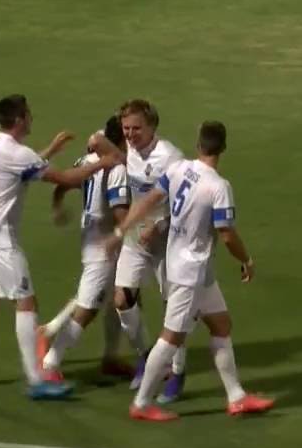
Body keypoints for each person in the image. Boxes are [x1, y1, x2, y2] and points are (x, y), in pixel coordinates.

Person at [0, 94, 121, 399]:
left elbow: (21, 169)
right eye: (28, 114)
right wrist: (105, 163)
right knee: (26, 303)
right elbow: (66, 177)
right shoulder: (18, 155)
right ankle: (36, 381)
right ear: (19, 119)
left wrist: (50, 151)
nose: (32, 118)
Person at [106, 121, 274, 421]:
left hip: (190, 267)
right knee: (171, 338)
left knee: (221, 324)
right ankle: (142, 404)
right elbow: (226, 234)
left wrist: (122, 229)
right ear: (222, 148)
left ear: (199, 145)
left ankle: (236, 397)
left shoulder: (178, 169)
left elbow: (150, 200)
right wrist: (246, 260)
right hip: (190, 273)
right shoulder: (219, 187)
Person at [35, 117, 132, 382]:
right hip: (103, 242)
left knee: (115, 298)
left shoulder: (89, 160)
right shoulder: (117, 168)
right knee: (88, 306)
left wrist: (57, 206)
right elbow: (121, 213)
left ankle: (110, 357)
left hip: (94, 235)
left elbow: (66, 181)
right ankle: (50, 361)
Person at [112, 100, 190, 402]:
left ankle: (178, 371)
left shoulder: (170, 158)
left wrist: (157, 225)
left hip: (167, 240)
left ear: (152, 127)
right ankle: (146, 356)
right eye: (126, 128)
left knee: (174, 309)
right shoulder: (129, 148)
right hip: (136, 238)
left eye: (136, 129)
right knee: (122, 298)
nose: (130, 134)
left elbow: (183, 203)